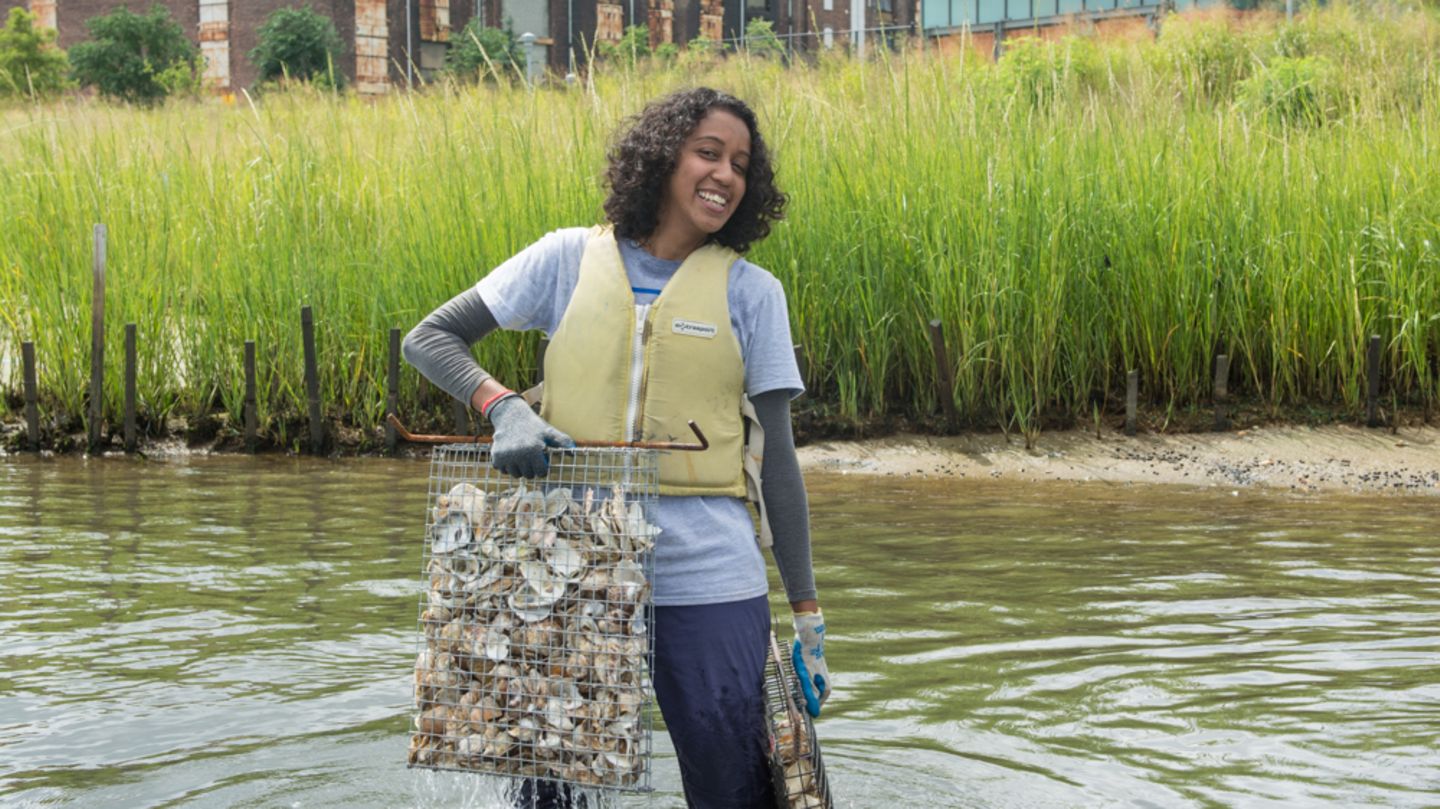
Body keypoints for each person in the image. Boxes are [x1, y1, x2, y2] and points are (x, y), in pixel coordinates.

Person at [403, 86, 828, 809]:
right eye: (707, 152)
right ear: (663, 157)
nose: (726, 173)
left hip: (712, 577)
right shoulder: (566, 258)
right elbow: (430, 339)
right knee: (552, 792)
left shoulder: (754, 293)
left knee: (736, 788)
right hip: (570, 574)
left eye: (741, 163)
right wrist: (503, 407)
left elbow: (780, 462)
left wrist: (808, 613)